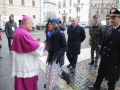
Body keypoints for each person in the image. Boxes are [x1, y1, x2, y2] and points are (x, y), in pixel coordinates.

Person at [89, 8, 120, 90]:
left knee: (111, 80)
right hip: (105, 57)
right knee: (100, 74)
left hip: (114, 60)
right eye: (111, 18)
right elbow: (104, 41)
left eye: (114, 18)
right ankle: (96, 86)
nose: (111, 20)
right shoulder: (109, 28)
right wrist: (101, 52)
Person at [11, 15, 44, 90]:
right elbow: (33, 48)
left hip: (21, 64)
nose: (33, 25)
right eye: (32, 23)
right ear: (27, 23)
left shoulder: (20, 31)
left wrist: (34, 40)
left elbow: (26, 44)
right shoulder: (23, 33)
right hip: (26, 67)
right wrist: (43, 46)